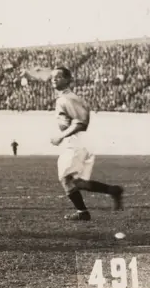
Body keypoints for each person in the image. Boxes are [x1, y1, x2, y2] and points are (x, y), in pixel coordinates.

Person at [49, 67, 123, 221]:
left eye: (58, 77)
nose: (54, 79)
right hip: (78, 142)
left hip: (76, 142)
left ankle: (83, 212)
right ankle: (113, 191)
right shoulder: (65, 98)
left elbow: (81, 122)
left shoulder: (67, 99)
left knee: (66, 179)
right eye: (52, 77)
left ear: (68, 79)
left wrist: (60, 136)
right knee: (77, 182)